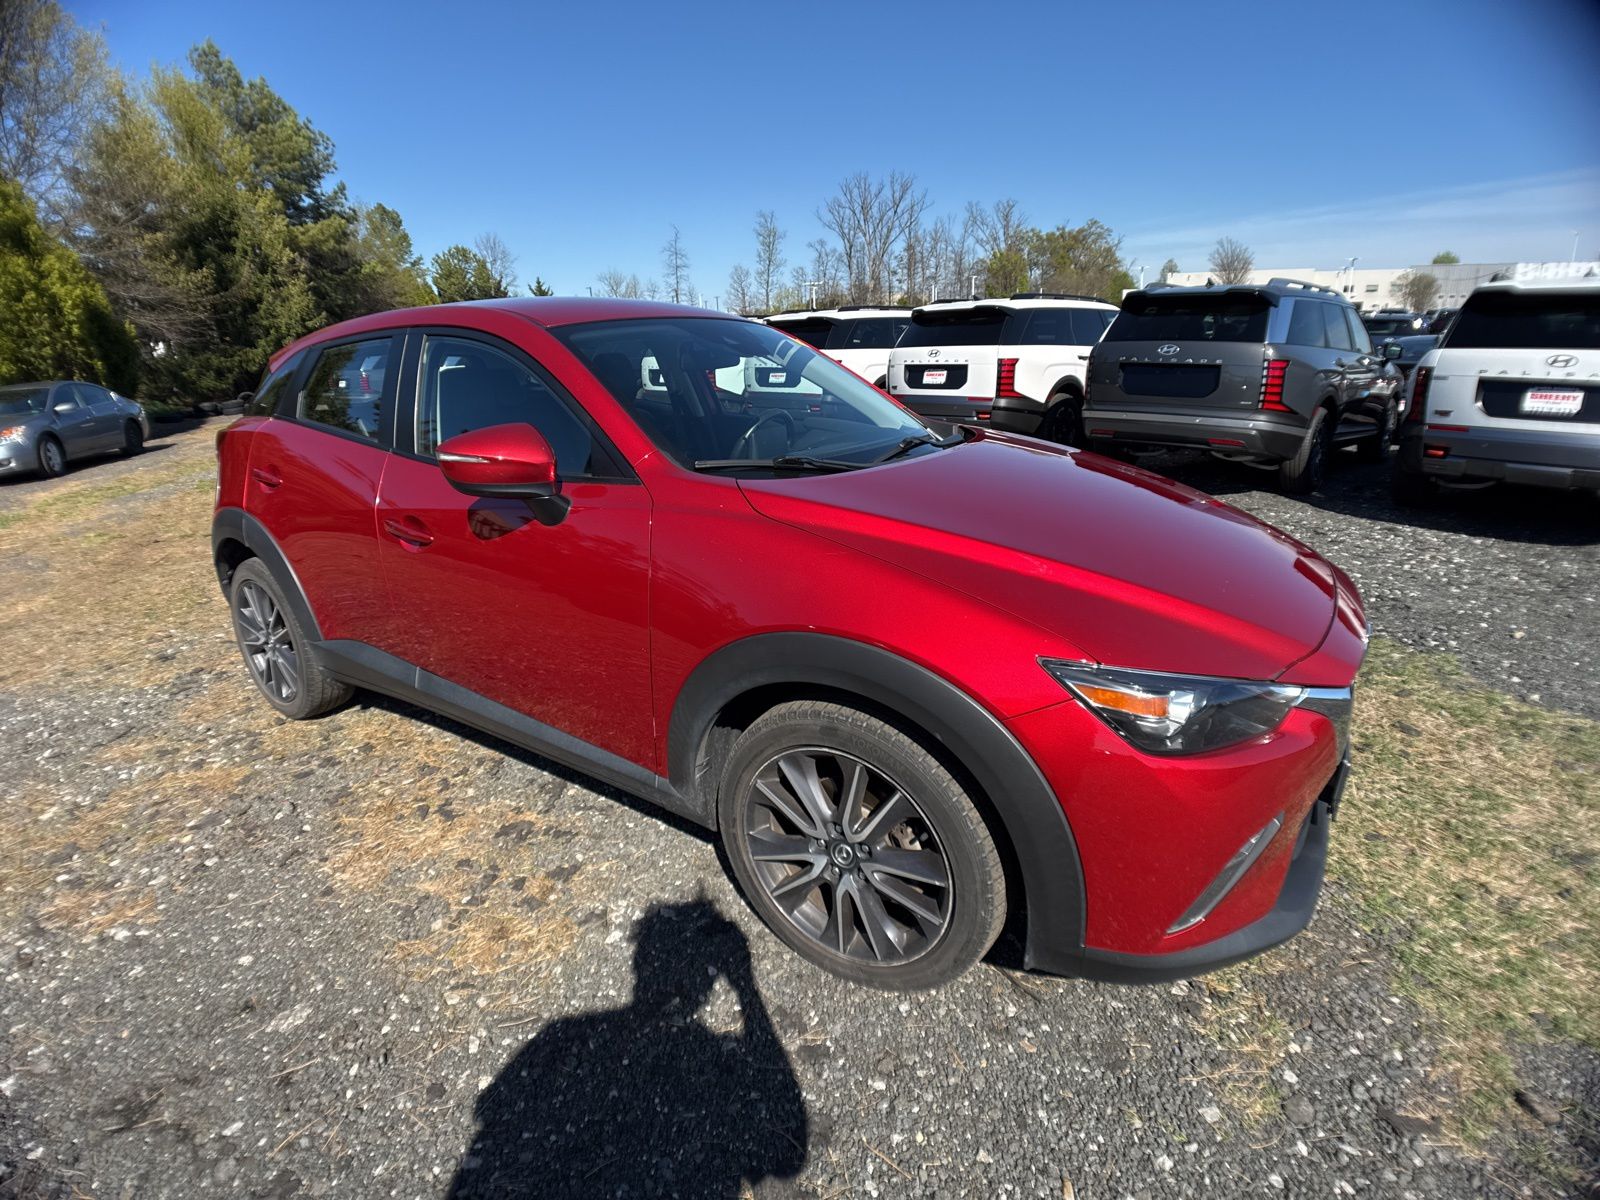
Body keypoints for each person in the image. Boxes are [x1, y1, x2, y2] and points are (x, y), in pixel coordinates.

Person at [449, 899, 808, 1198]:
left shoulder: (564, 1035)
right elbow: (787, 1155)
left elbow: (495, 1112)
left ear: (641, 963)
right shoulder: (711, 1054)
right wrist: (746, 988)